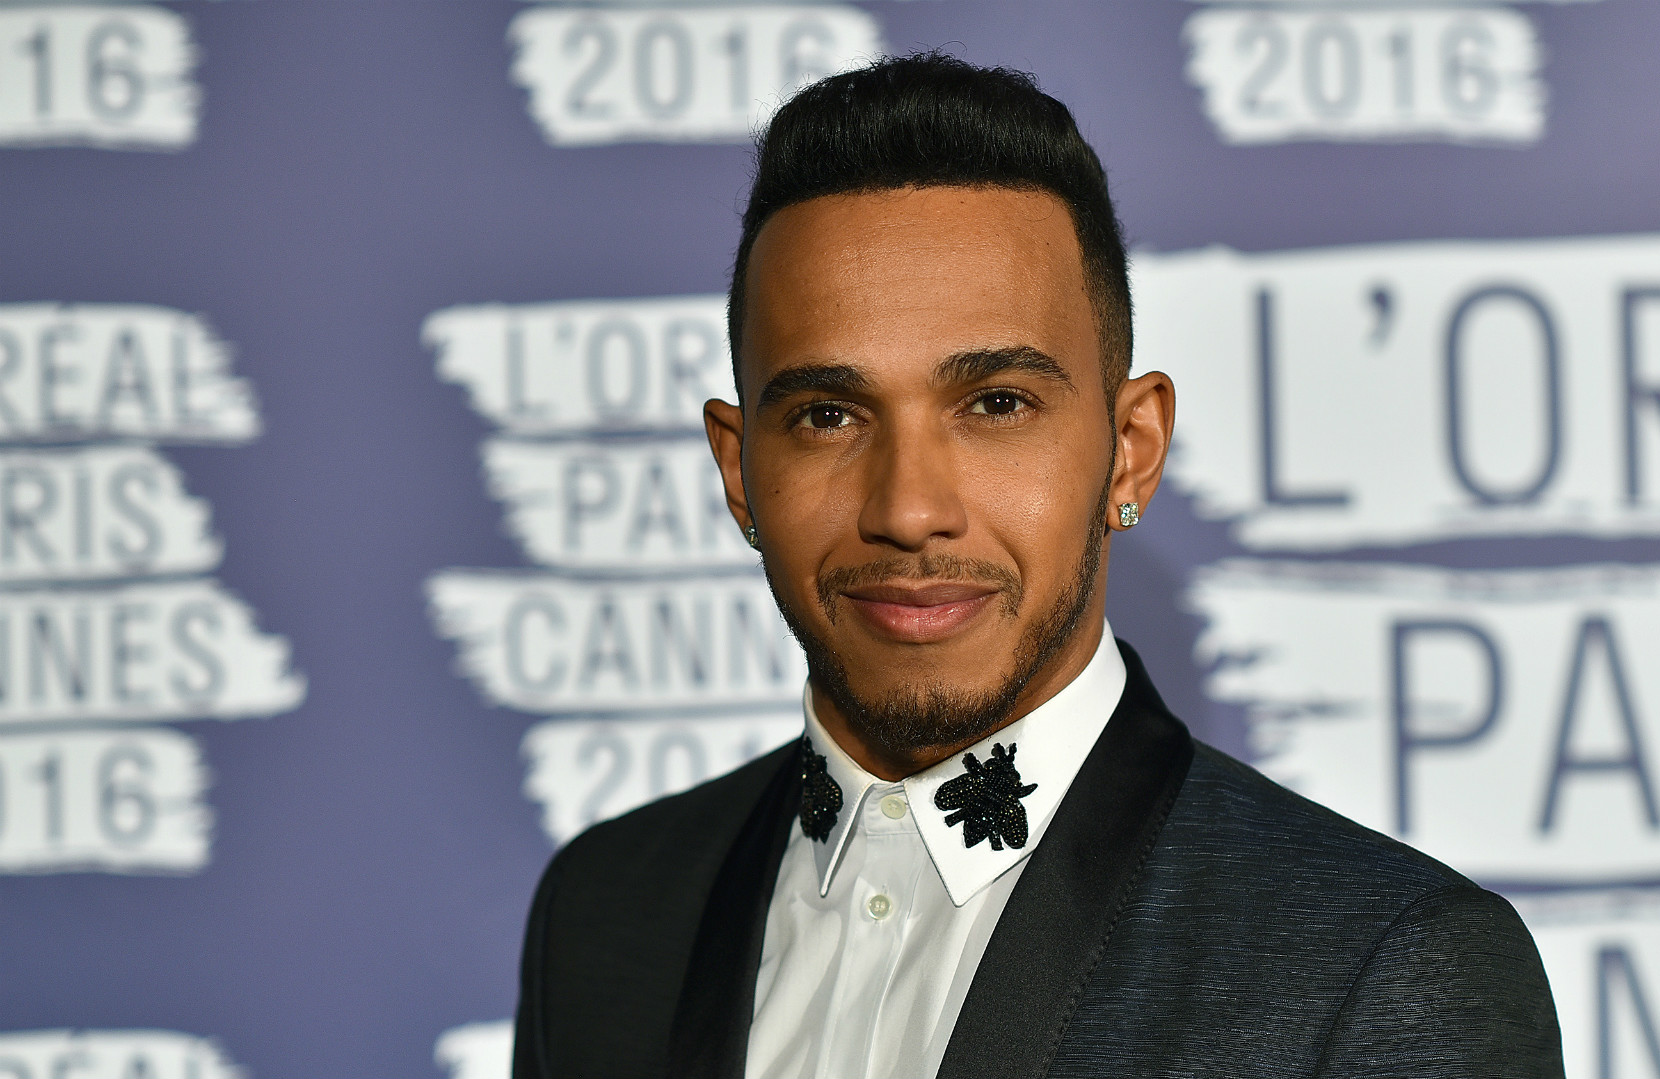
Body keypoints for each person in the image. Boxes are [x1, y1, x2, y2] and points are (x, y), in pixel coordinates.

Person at [510, 53, 1563, 1079]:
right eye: (829, 415)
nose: (908, 510)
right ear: (740, 473)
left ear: (1130, 449)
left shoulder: (1380, 965)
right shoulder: (605, 913)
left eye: (996, 404)